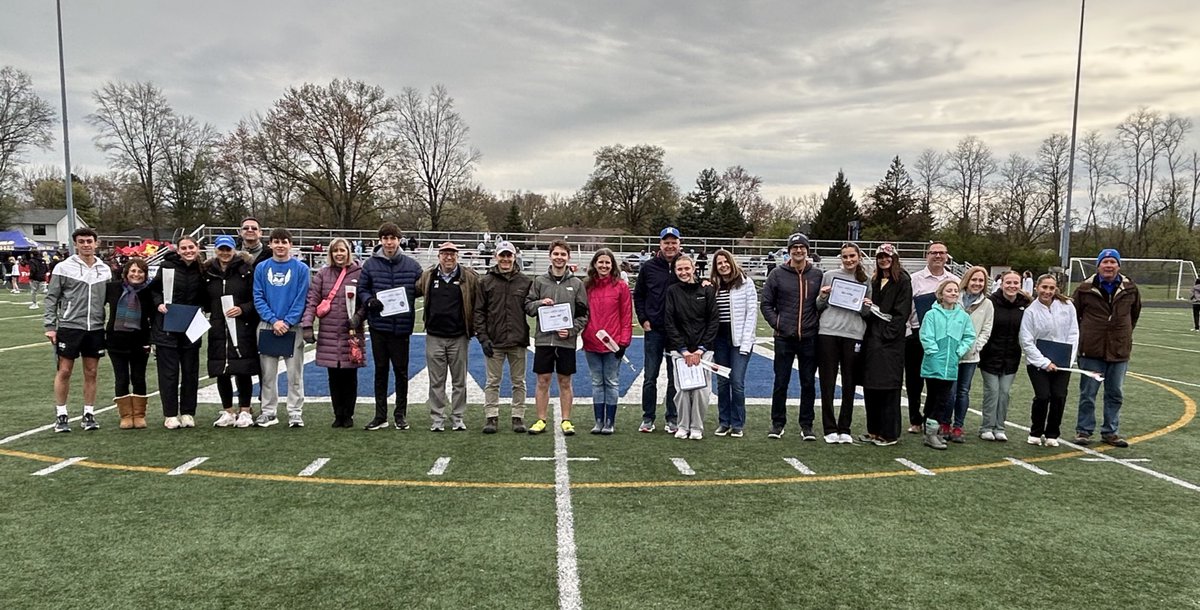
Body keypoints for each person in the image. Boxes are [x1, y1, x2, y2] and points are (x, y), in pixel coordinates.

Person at [355, 223, 423, 431]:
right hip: (379, 326)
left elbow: (420, 289)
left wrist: (405, 301)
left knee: (401, 372)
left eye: (393, 238)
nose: (389, 242)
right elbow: (362, 288)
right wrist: (369, 301)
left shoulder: (412, 265)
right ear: (380, 241)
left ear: (399, 240)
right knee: (381, 371)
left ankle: (400, 415)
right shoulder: (370, 265)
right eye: (385, 238)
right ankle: (380, 415)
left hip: (401, 327)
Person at [44, 228, 112, 432]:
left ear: (96, 243)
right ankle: (61, 414)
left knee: (91, 372)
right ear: (75, 244)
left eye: (89, 241)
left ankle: (89, 413)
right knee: (64, 371)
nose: (86, 245)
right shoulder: (63, 268)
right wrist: (50, 326)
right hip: (69, 326)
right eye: (81, 241)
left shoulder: (105, 269)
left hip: (96, 328)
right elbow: (51, 298)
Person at [1073, 249, 1141, 448]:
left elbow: (1134, 315)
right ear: (1099, 265)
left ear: (1118, 265)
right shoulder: (1084, 289)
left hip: (1119, 351)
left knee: (1115, 393)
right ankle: (1083, 431)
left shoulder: (1130, 289)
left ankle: (1110, 432)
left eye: (1113, 262)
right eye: (1105, 262)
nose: (1109, 266)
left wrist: (1122, 334)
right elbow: (1073, 316)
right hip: (1091, 351)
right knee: (1088, 393)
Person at [760, 232, 823, 440]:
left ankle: (807, 424)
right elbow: (766, 304)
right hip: (784, 337)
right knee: (781, 382)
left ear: (807, 250)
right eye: (794, 247)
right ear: (789, 251)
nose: (798, 250)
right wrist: (778, 323)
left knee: (808, 382)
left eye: (802, 247)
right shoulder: (777, 274)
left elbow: (821, 304)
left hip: (809, 336)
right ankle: (777, 423)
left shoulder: (817, 275)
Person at [525, 239, 588, 435]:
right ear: (550, 256)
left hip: (566, 341)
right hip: (544, 340)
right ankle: (541, 419)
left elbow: (584, 314)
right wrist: (541, 303)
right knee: (543, 380)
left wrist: (571, 331)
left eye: (563, 254)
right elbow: (528, 306)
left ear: (568, 258)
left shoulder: (577, 283)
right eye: (556, 254)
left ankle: (566, 420)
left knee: (565, 380)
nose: (559, 258)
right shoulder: (539, 281)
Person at [416, 242, 479, 432]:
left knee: (459, 381)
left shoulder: (469, 276)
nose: (448, 257)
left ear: (457, 256)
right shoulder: (428, 275)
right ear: (439, 256)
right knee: (436, 381)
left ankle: (458, 417)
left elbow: (480, 299)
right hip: (434, 336)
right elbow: (412, 290)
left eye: (452, 254)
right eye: (445, 254)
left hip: (459, 336)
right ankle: (438, 418)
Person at [302, 237, 363, 428]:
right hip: (329, 331)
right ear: (331, 253)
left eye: (342, 250)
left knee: (350, 375)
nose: (339, 254)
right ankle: (338, 413)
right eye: (335, 250)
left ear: (348, 252)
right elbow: (312, 300)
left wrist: (358, 317)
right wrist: (307, 325)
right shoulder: (322, 274)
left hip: (351, 331)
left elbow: (365, 300)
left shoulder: (359, 273)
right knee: (334, 375)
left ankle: (349, 414)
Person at [253, 228, 310, 428]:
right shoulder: (261, 268)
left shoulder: (301, 269)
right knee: (268, 374)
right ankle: (268, 411)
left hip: (292, 327)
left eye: (284, 241)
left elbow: (301, 299)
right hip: (268, 325)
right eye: (276, 241)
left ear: (290, 245)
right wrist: (273, 320)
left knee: (295, 374)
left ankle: (295, 412)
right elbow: (258, 297)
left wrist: (287, 321)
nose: (280, 245)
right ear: (270, 244)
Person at [815, 242, 872, 444]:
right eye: (845, 256)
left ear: (859, 258)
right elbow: (819, 305)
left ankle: (844, 427)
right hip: (828, 332)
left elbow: (866, 313)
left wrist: (867, 306)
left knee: (849, 383)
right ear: (841, 258)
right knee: (827, 382)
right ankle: (829, 428)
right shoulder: (830, 276)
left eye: (852, 256)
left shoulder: (866, 281)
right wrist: (822, 296)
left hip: (854, 334)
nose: (849, 260)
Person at [202, 236, 261, 428]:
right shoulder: (208, 272)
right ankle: (227, 410)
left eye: (228, 249)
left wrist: (242, 309)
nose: (225, 253)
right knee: (221, 370)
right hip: (218, 326)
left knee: (242, 369)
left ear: (234, 250)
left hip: (242, 326)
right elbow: (202, 298)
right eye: (221, 249)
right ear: (216, 250)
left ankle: (245, 410)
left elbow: (257, 299)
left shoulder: (246, 270)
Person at [474, 240, 532, 434]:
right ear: (495, 257)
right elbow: (479, 312)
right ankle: (491, 416)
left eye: (509, 255)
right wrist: (483, 338)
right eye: (502, 255)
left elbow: (531, 308)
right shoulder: (485, 282)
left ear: (515, 257)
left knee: (519, 381)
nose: (506, 259)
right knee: (492, 381)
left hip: (518, 340)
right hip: (494, 340)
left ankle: (518, 416)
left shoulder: (525, 281)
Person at [149, 236, 206, 429]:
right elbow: (153, 291)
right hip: (167, 327)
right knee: (169, 373)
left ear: (197, 248)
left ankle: (188, 412)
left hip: (191, 326)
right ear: (178, 250)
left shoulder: (202, 269)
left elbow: (206, 295)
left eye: (191, 247)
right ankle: (170, 414)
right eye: (184, 248)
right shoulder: (166, 267)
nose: (188, 251)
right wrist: (159, 304)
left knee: (190, 372)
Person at [905, 242, 960, 434]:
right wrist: (910, 330)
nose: (938, 256)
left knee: (935, 381)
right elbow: (908, 307)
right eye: (934, 253)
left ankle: (930, 418)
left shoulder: (954, 280)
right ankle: (915, 419)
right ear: (927, 255)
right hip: (917, 333)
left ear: (947, 256)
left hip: (943, 339)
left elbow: (957, 309)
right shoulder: (914, 279)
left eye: (942, 253)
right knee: (914, 380)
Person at [859, 244, 912, 446]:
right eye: (880, 256)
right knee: (871, 386)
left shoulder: (903, 280)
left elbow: (901, 313)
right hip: (871, 340)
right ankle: (873, 429)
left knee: (888, 388)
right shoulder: (874, 280)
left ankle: (889, 433)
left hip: (890, 343)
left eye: (887, 256)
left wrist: (887, 335)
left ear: (894, 258)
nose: (883, 260)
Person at [634, 227, 683, 433]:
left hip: (678, 331)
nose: (670, 246)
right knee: (650, 376)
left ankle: (672, 417)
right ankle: (648, 417)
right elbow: (639, 295)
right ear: (660, 244)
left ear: (679, 244)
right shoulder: (649, 267)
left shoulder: (684, 266)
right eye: (666, 242)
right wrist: (644, 319)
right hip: (654, 329)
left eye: (674, 242)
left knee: (675, 377)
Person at [1021, 274, 1079, 447]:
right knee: (1043, 396)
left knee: (1059, 396)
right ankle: (1036, 432)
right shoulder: (1030, 311)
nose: (1047, 291)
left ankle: (1053, 433)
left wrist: (1067, 359)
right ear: (1037, 287)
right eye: (1044, 287)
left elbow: (1074, 333)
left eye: (1051, 288)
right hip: (1037, 364)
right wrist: (1044, 362)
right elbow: (1026, 341)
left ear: (1056, 289)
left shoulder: (1067, 306)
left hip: (1063, 363)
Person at [918, 279, 975, 450]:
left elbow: (969, 335)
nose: (953, 293)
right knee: (934, 398)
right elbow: (926, 335)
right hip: (933, 363)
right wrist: (933, 351)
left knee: (942, 398)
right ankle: (930, 432)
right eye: (949, 290)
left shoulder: (963, 316)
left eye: (956, 291)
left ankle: (931, 431)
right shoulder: (932, 314)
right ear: (941, 294)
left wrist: (959, 351)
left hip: (951, 364)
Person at [665, 255, 717, 440]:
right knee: (682, 390)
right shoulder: (672, 291)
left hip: (704, 351)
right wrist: (684, 350)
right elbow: (669, 322)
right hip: (680, 352)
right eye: (679, 269)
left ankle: (697, 427)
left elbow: (713, 321)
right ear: (675, 271)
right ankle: (682, 425)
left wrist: (701, 349)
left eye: (687, 268)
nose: (683, 272)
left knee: (702, 391)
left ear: (694, 268)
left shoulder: (707, 289)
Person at [582, 248, 632, 435]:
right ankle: (598, 421)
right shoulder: (586, 286)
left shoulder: (621, 287)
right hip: (591, 343)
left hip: (613, 344)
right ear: (595, 264)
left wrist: (623, 342)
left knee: (611, 381)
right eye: (600, 262)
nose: (604, 266)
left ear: (613, 265)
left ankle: (610, 422)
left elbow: (626, 316)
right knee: (596, 382)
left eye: (607, 263)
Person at [709, 249, 756, 438]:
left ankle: (737, 423)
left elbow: (751, 314)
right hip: (719, 340)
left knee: (736, 382)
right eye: (719, 263)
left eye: (725, 262)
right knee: (722, 383)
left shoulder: (746, 283)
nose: (723, 265)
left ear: (732, 262)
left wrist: (746, 343)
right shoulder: (713, 285)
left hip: (739, 340)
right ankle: (724, 421)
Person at [978, 270, 1030, 442]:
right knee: (992, 391)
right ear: (1001, 283)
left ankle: (1000, 427)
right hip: (990, 355)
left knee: (1005, 392)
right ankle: (986, 427)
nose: (1012, 286)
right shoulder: (990, 302)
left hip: (1011, 357)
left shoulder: (1025, 304)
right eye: (1008, 282)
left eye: (1016, 283)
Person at [105, 257, 154, 429]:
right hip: (115, 341)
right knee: (121, 378)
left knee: (139, 378)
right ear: (126, 272)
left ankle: (139, 414)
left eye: (140, 271)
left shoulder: (149, 291)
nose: (136, 274)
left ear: (145, 275)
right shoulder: (112, 288)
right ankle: (125, 415)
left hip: (140, 341)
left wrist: (150, 341)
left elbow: (154, 319)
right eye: (133, 271)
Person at [947, 266, 994, 443]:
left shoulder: (987, 304)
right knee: (949, 392)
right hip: (950, 354)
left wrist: (976, 347)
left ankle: (958, 426)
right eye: (974, 279)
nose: (977, 283)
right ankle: (945, 423)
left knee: (963, 392)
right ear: (967, 279)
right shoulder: (954, 297)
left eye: (981, 280)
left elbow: (986, 329)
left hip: (970, 356)